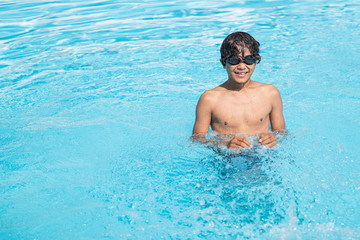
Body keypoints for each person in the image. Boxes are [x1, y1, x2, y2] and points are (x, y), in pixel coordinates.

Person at [192, 31, 285, 150]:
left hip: (262, 154)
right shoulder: (209, 99)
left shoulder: (270, 93)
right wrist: (224, 144)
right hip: (226, 157)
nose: (241, 66)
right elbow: (197, 140)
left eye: (249, 60)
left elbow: (282, 134)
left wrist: (274, 139)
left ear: (256, 61)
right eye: (234, 60)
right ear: (223, 63)